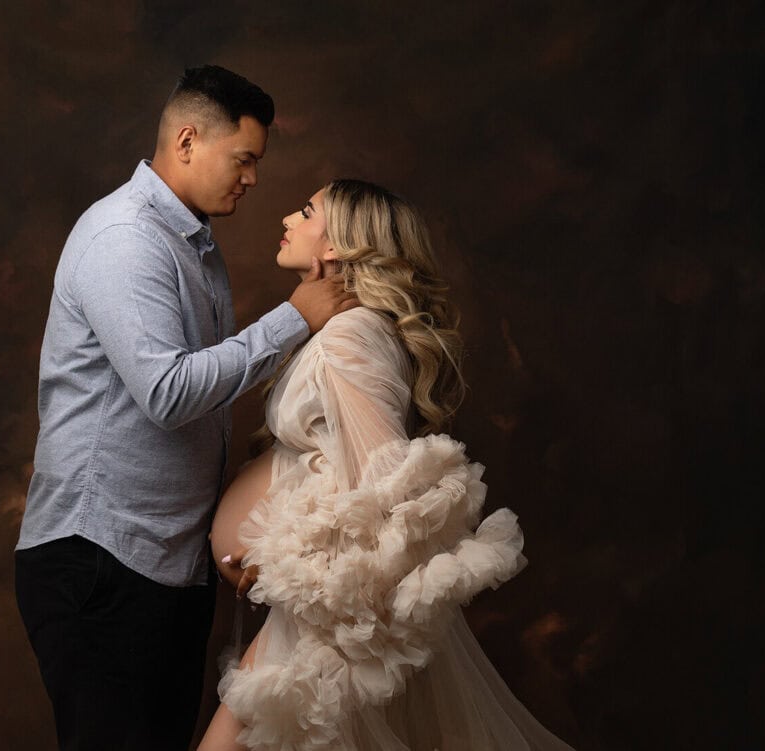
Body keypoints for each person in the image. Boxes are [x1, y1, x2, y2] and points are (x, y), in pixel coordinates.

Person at [14, 66, 356, 751]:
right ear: (189, 140)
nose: (252, 179)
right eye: (244, 159)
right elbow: (168, 393)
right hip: (101, 558)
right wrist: (295, 318)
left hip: (167, 567)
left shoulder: (192, 244)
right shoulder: (124, 238)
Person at [200, 180, 575, 750]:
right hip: (307, 610)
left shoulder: (350, 335)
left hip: (321, 624)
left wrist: (303, 572)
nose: (287, 218)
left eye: (306, 212)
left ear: (338, 244)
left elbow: (384, 484)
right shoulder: (345, 328)